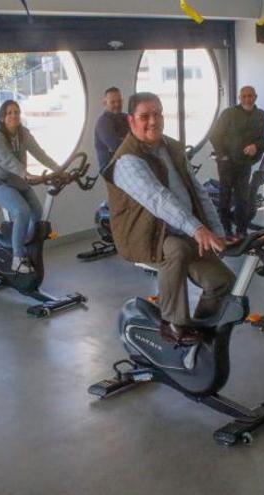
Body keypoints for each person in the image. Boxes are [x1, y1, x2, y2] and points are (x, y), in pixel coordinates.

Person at [102, 92, 235, 345]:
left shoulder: (171, 147)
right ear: (131, 121)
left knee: (222, 281)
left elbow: (197, 191)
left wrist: (216, 231)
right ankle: (173, 323)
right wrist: (196, 229)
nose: (153, 121)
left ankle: (202, 328)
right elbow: (158, 198)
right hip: (144, 235)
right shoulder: (126, 160)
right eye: (145, 116)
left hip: (181, 229)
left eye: (158, 114)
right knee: (175, 250)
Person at [0, 100, 61, 274]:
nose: (14, 116)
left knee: (37, 213)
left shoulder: (23, 133)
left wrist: (59, 170)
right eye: (10, 113)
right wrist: (25, 173)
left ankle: (22, 243)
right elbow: (7, 160)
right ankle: (17, 259)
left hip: (18, 183)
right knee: (21, 211)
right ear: (3, 117)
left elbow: (40, 153)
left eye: (16, 112)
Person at [209, 85, 264, 238]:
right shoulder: (229, 114)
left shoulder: (261, 115)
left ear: (255, 97)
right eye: (244, 96)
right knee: (225, 196)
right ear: (239, 98)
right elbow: (214, 135)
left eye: (250, 96)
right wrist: (223, 156)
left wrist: (256, 146)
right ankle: (226, 229)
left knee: (243, 197)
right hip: (226, 163)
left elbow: (263, 139)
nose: (248, 99)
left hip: (245, 163)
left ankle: (241, 230)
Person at [94, 86, 129, 170]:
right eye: (112, 102)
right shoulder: (103, 122)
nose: (117, 105)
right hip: (111, 169)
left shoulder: (125, 117)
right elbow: (118, 147)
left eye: (119, 101)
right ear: (105, 103)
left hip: (126, 163)